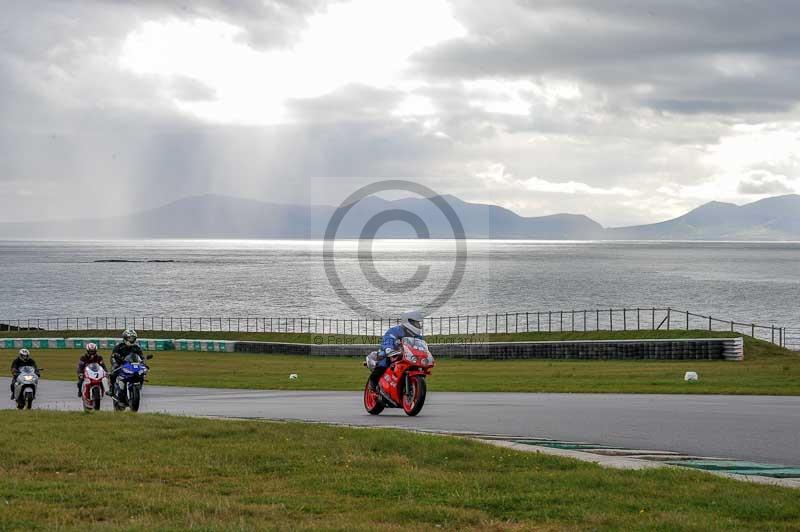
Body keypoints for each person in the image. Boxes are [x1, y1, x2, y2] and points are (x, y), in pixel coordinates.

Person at [369, 310, 425, 390]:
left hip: (408, 356)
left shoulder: (417, 336)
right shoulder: (395, 330)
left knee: (419, 367)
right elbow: (388, 339)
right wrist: (389, 349)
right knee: (383, 363)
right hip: (393, 354)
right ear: (409, 322)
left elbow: (420, 345)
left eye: (418, 323)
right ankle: (373, 382)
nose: (418, 325)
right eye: (416, 323)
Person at [109, 329, 143, 395]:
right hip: (121, 364)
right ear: (125, 338)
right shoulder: (119, 346)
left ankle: (138, 386)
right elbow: (113, 356)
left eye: (133, 338)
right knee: (113, 373)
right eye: (130, 338)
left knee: (141, 373)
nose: (131, 340)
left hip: (132, 365)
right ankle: (112, 389)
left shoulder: (136, 347)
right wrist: (115, 364)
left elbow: (141, 357)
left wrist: (143, 363)